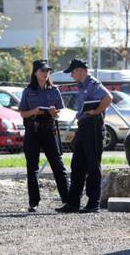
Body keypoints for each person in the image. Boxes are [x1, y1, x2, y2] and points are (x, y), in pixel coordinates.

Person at [56, 59, 112, 214]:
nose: (72, 75)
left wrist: (96, 111)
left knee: (93, 164)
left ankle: (93, 203)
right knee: (77, 164)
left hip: (93, 125)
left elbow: (108, 98)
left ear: (80, 70)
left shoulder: (93, 83)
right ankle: (73, 203)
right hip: (83, 126)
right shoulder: (82, 86)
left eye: (73, 72)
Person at [19, 60, 69, 212]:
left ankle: (68, 201)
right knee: (32, 168)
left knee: (58, 166)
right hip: (32, 131)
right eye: (43, 70)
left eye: (48, 71)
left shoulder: (54, 90)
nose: (46, 73)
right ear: (35, 73)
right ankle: (33, 202)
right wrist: (33, 112)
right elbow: (22, 113)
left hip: (48, 131)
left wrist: (54, 112)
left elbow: (59, 111)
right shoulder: (27, 91)